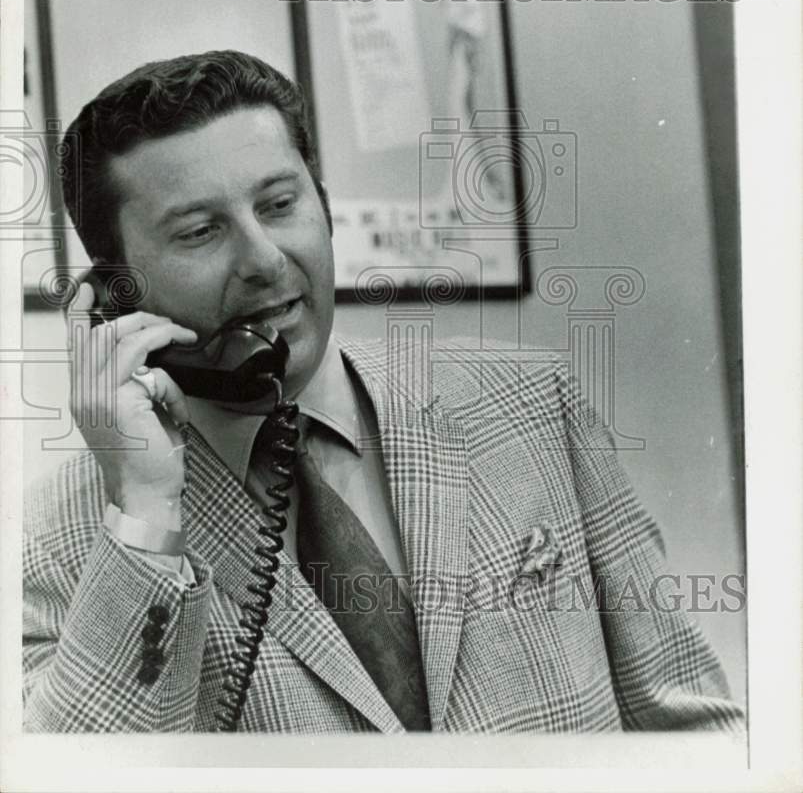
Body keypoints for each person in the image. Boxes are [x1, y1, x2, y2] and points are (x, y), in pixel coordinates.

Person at [23, 50, 745, 733]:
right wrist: (148, 512)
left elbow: (689, 720)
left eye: (278, 205)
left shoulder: (528, 402)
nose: (265, 259)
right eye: (202, 231)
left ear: (324, 208)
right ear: (115, 296)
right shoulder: (62, 538)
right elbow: (82, 770)